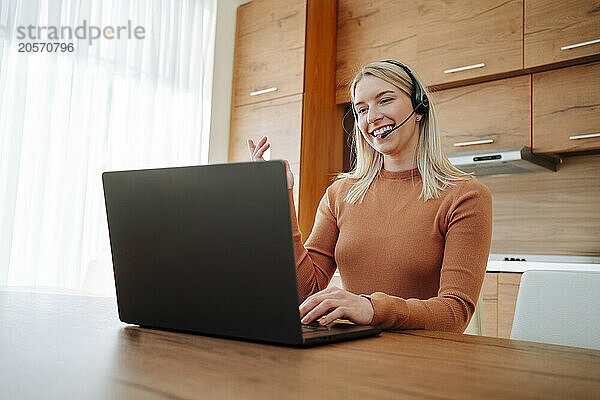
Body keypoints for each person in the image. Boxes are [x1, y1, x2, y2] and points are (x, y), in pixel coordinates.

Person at [247, 60, 492, 332]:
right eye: (361, 109)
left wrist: (371, 308)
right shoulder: (340, 194)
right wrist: (279, 198)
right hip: (352, 352)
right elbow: (306, 293)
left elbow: (454, 313)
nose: (371, 117)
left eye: (385, 100)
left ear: (419, 109)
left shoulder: (465, 195)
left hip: (425, 359)